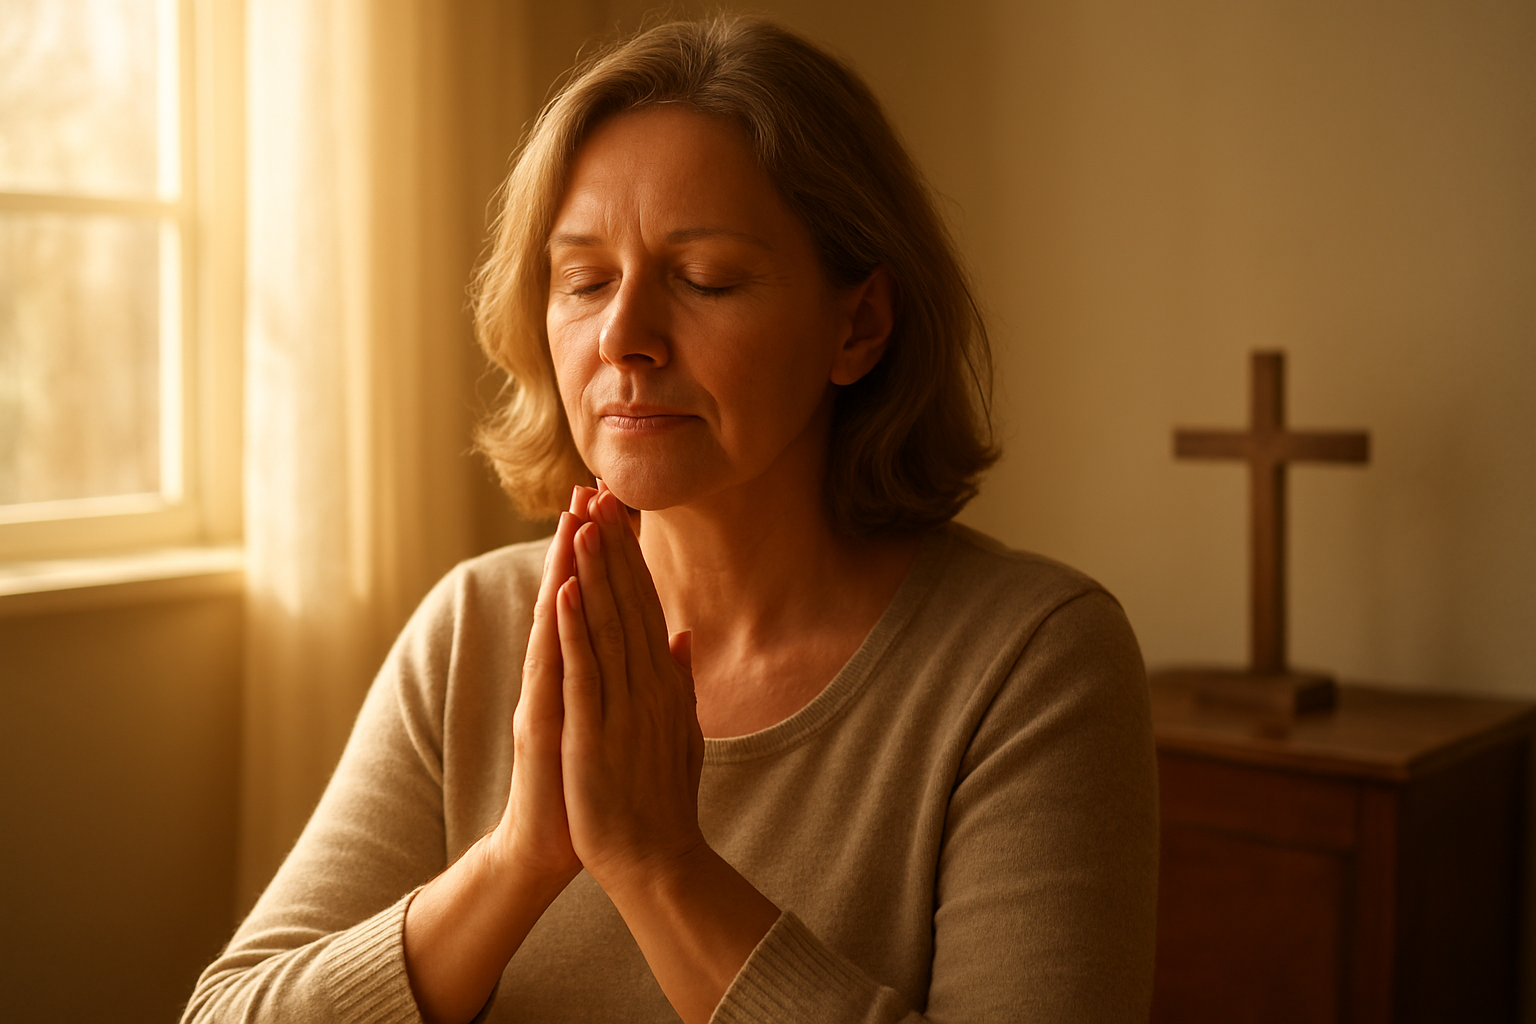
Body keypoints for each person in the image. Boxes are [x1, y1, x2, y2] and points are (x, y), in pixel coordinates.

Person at [183, 16, 1157, 1024]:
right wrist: (521, 855)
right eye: (584, 279)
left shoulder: (1032, 661)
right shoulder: (472, 627)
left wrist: (658, 863)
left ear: (859, 324)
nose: (624, 336)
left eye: (705, 280)